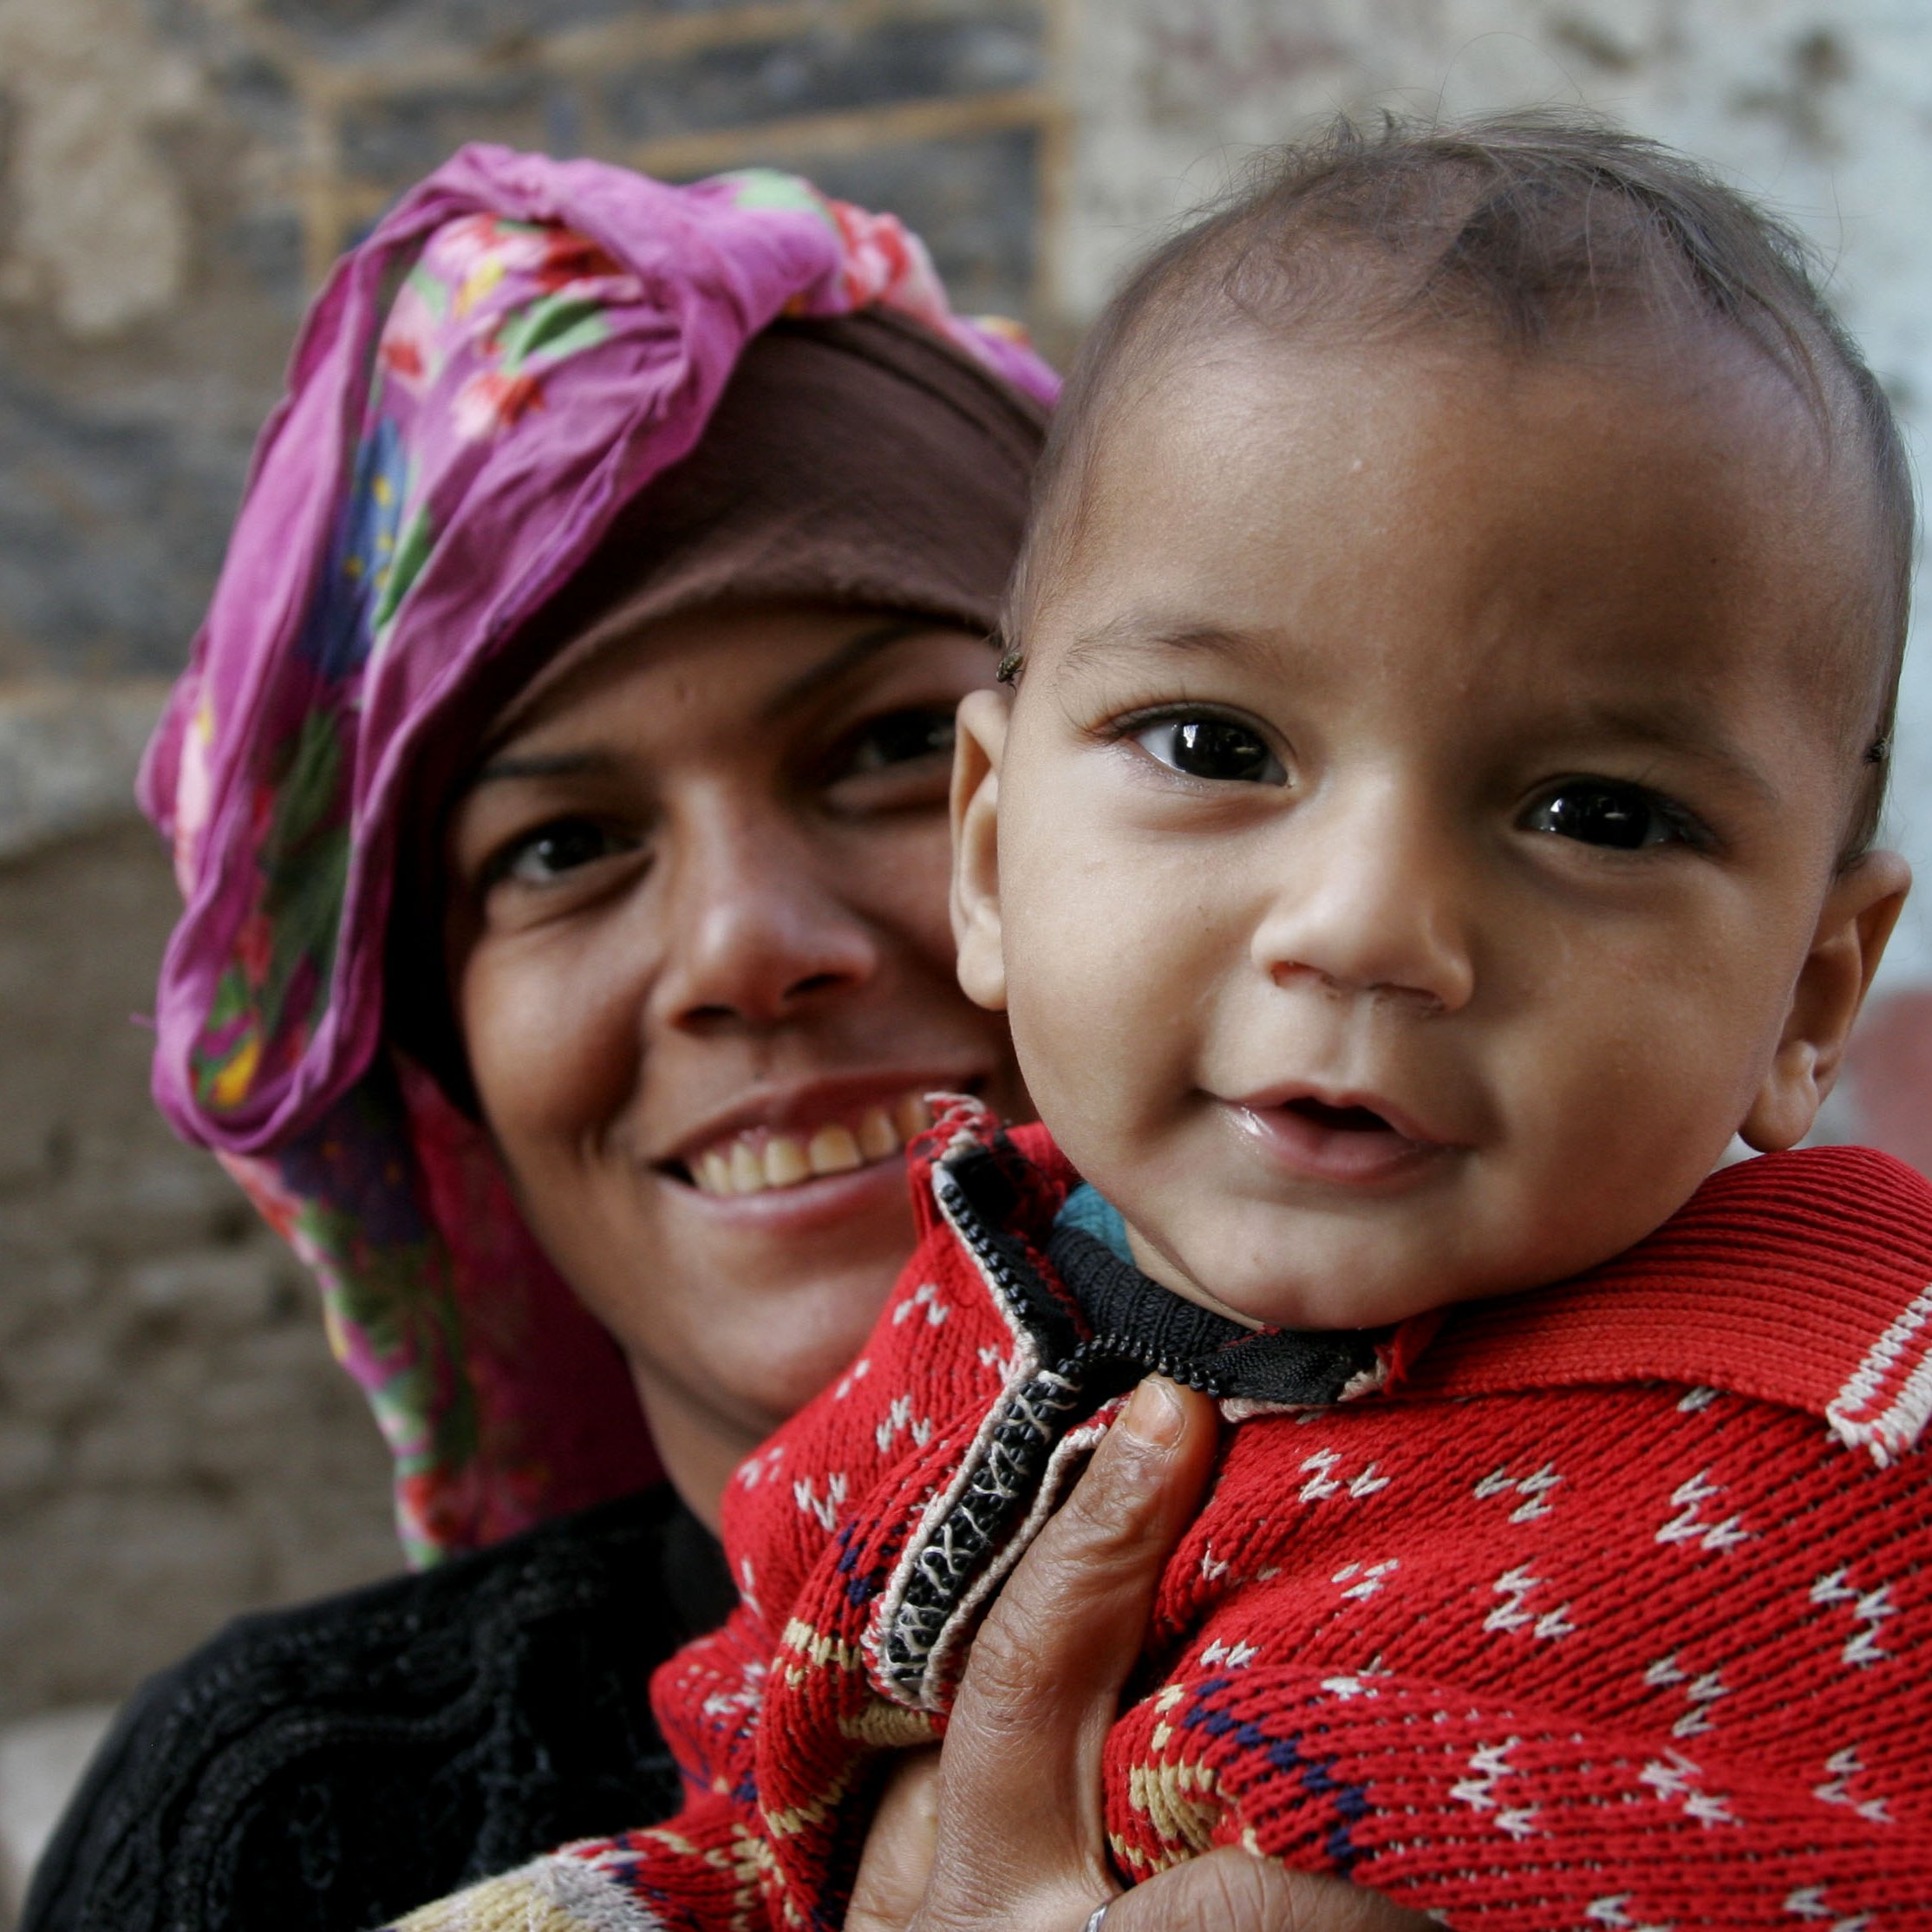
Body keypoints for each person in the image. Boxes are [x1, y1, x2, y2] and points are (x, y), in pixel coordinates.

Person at [384, 114, 1932, 1930]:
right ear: (990, 847)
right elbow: (745, 1800)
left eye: (1595, 812)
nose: (1363, 923)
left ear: (1810, 994)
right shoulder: (954, 1333)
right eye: (1215, 745)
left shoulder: (1855, 1424)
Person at [23, 147, 1413, 1932]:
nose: (748, 946)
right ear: (446, 1051)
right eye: (558, 847)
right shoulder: (285, 1826)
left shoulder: (1723, 1623)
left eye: (895, 750)